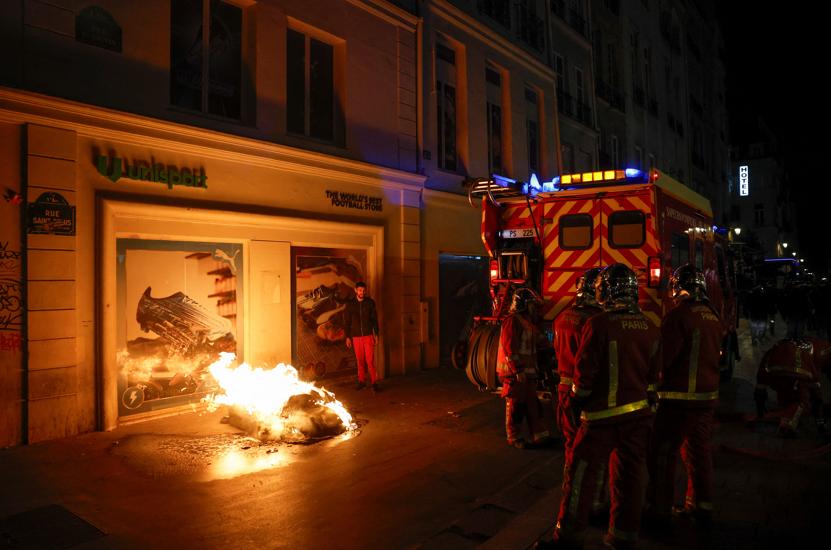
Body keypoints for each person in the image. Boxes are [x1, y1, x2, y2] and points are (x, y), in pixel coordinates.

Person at [537, 264, 660, 550]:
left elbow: (584, 378)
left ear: (605, 291)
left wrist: (575, 404)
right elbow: (653, 378)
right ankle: (623, 536)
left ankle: (568, 538)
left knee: (580, 474)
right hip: (638, 417)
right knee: (629, 478)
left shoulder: (599, 324)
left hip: (600, 418)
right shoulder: (650, 327)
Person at [646, 265, 723, 529]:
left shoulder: (678, 317)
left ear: (679, 288)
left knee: (662, 454)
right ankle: (702, 505)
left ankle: (659, 511)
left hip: (678, 402)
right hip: (706, 400)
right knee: (699, 452)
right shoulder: (713, 316)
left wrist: (649, 385)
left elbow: (664, 360)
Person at [553, 268, 604, 513]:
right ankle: (591, 501)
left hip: (564, 388)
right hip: (585, 390)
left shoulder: (562, 317)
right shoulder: (595, 322)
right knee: (591, 450)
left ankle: (569, 490)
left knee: (570, 443)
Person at [497, 286, 550, 449]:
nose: (535, 308)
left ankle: (540, 436)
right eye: (532, 305)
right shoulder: (512, 321)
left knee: (533, 405)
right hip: (515, 374)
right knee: (515, 406)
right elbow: (509, 347)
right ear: (524, 305)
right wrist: (517, 370)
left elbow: (540, 342)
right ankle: (514, 437)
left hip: (528, 374)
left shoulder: (527, 323)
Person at [754, 338, 825, 438]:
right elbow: (817, 395)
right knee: (803, 403)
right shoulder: (806, 356)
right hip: (797, 378)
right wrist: (820, 424)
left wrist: (760, 413)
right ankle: (788, 423)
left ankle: (782, 418)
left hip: (777, 374)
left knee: (796, 398)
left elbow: (760, 386)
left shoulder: (772, 353)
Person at [344, 281, 380, 391]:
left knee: (370, 361)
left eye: (363, 291)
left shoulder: (370, 303)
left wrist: (376, 334)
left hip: (368, 335)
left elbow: (374, 319)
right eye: (360, 290)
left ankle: (374, 382)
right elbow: (347, 322)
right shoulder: (350, 304)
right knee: (360, 361)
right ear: (355, 290)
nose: (362, 292)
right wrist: (347, 337)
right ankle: (361, 381)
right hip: (356, 337)